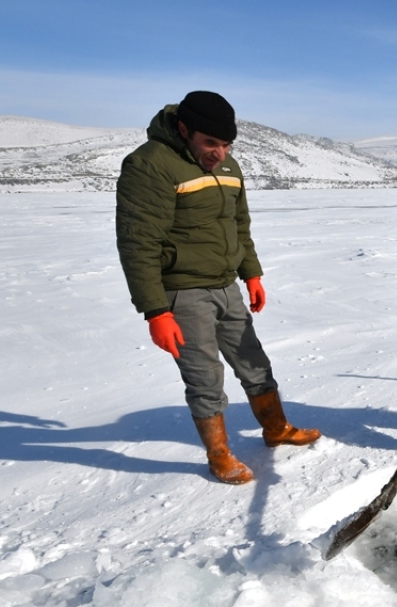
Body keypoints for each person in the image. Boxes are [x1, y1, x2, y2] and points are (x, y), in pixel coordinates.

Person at [116, 91, 320, 485]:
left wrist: (252, 273)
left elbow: (238, 225)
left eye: (227, 144)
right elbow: (138, 243)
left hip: (227, 285)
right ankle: (219, 455)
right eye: (210, 143)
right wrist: (156, 311)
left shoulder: (229, 166)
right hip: (183, 293)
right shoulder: (150, 165)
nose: (220, 153)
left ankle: (276, 428)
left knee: (254, 362)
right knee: (205, 377)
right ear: (183, 129)